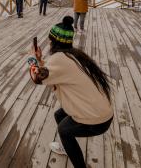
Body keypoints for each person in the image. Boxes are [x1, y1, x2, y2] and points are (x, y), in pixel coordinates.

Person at [28, 16, 113, 168]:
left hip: (96, 119)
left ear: (53, 41)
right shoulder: (73, 55)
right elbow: (51, 70)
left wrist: (33, 61)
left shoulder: (58, 59)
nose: (49, 43)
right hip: (102, 111)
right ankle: (68, 147)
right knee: (59, 115)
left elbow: (37, 78)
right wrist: (40, 60)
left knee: (64, 129)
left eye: (50, 40)